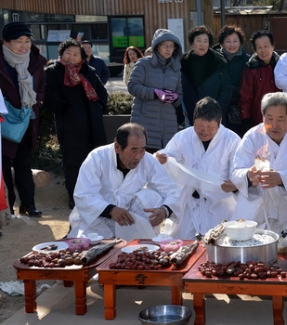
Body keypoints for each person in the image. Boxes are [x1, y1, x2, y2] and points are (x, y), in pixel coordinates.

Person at [68, 123, 181, 239]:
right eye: (134, 150)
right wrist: (110, 210)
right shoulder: (97, 158)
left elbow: (172, 190)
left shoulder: (148, 160)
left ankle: (139, 240)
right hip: (96, 219)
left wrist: (164, 210)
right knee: (91, 249)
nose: (138, 156)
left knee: (152, 196)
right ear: (117, 148)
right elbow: (84, 194)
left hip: (128, 219)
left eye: (142, 149)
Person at [231, 92, 287, 243]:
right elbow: (236, 170)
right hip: (259, 202)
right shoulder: (252, 136)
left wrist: (281, 178)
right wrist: (248, 176)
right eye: (269, 118)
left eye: (280, 119)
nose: (274, 125)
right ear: (262, 116)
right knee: (248, 248)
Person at [155, 97, 240, 239]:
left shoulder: (232, 140)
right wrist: (162, 158)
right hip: (189, 201)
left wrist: (235, 183)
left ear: (220, 122)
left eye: (210, 127)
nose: (204, 131)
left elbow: (237, 170)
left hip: (219, 202)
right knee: (184, 244)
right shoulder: (183, 137)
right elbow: (167, 156)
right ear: (193, 120)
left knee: (219, 244)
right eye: (200, 126)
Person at [45, 38, 108, 210]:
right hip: (70, 124)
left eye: (76, 54)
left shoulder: (89, 70)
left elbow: (102, 91)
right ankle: (74, 196)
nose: (72, 57)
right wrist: (64, 108)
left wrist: (98, 107)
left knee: (96, 160)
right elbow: (49, 95)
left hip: (93, 122)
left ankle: (96, 194)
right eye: (68, 53)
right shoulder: (53, 72)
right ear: (61, 54)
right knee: (73, 161)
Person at [1, 22, 47, 217]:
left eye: (27, 40)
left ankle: (28, 204)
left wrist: (36, 105)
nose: (24, 45)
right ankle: (7, 206)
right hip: (3, 122)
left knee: (23, 163)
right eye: (18, 41)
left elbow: (41, 86)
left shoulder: (34, 60)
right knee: (3, 166)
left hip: (27, 119)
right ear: (5, 42)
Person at [128, 29, 183, 153]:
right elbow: (132, 86)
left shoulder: (176, 69)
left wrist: (174, 97)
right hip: (145, 123)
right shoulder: (143, 64)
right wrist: (155, 93)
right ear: (157, 47)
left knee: (164, 166)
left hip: (168, 127)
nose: (168, 49)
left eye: (171, 46)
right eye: (165, 46)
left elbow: (180, 96)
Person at [181, 26, 232, 127]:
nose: (202, 44)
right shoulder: (183, 62)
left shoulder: (218, 61)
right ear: (192, 42)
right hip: (190, 113)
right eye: (199, 41)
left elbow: (226, 89)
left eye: (205, 41)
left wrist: (217, 109)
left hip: (214, 113)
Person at [239, 30, 281, 130]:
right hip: (258, 118)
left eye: (266, 46)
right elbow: (245, 97)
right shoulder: (250, 68)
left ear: (273, 46)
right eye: (259, 47)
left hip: (280, 116)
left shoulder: (282, 65)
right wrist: (245, 118)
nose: (263, 50)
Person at [216, 25, 250, 136]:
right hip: (219, 107)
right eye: (228, 41)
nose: (232, 45)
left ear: (240, 42)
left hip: (241, 108)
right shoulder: (215, 59)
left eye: (235, 41)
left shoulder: (248, 60)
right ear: (222, 43)